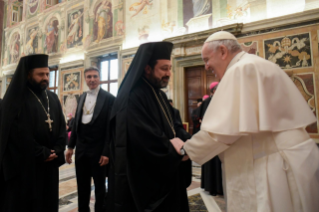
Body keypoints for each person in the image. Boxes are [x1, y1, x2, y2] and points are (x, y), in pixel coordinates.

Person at [170, 31, 319, 212]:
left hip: (273, 166)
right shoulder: (259, 64)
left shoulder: (240, 70)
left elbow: (221, 133)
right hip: (291, 159)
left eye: (207, 59)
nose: (206, 67)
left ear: (223, 51)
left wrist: (187, 150)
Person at [107, 42, 191, 212]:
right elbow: (143, 138)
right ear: (147, 68)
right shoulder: (133, 97)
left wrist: (184, 141)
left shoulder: (158, 93)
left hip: (167, 173)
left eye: (169, 68)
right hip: (147, 182)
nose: (168, 73)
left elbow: (174, 123)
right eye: (164, 68)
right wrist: (171, 148)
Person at [0, 54, 66, 211]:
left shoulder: (53, 97)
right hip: (27, 168)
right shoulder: (17, 100)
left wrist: (57, 149)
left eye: (47, 74)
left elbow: (62, 127)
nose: (45, 78)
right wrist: (40, 152)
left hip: (50, 167)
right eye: (40, 74)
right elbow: (14, 134)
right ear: (28, 74)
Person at [65, 67, 115, 212]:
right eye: (88, 77)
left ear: (99, 78)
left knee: (100, 187)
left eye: (94, 76)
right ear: (85, 79)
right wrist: (70, 147)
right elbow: (76, 125)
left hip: (99, 150)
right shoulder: (81, 97)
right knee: (82, 186)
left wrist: (106, 152)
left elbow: (110, 128)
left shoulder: (109, 98)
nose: (92, 79)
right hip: (81, 149)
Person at [197, 82, 223, 196]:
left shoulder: (222, 101)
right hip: (210, 136)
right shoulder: (207, 102)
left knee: (218, 163)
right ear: (213, 91)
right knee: (211, 162)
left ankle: (219, 187)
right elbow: (200, 118)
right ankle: (211, 187)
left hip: (220, 137)